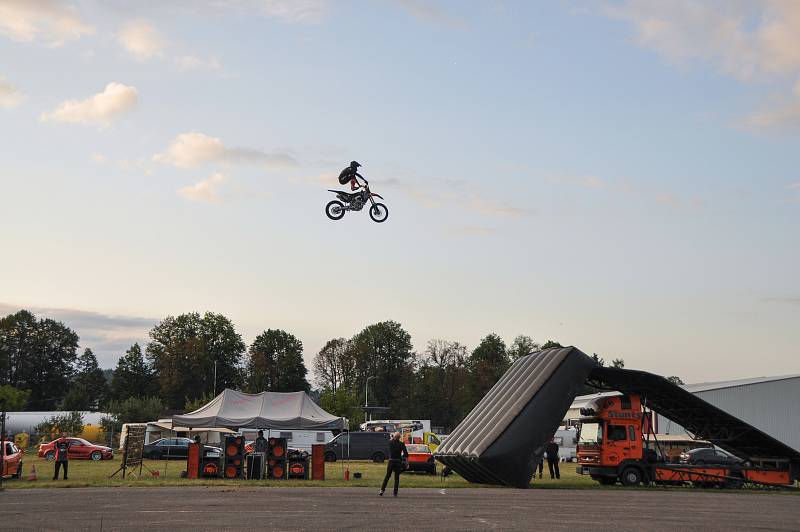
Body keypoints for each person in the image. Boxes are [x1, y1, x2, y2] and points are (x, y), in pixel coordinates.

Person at [379, 432, 408, 497]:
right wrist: (406, 462)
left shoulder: (390, 443)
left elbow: (391, 439)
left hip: (391, 461)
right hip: (398, 462)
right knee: (396, 478)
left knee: (387, 476)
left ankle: (382, 490)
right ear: (400, 437)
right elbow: (406, 454)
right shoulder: (401, 444)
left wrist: (393, 436)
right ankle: (395, 493)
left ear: (394, 437)